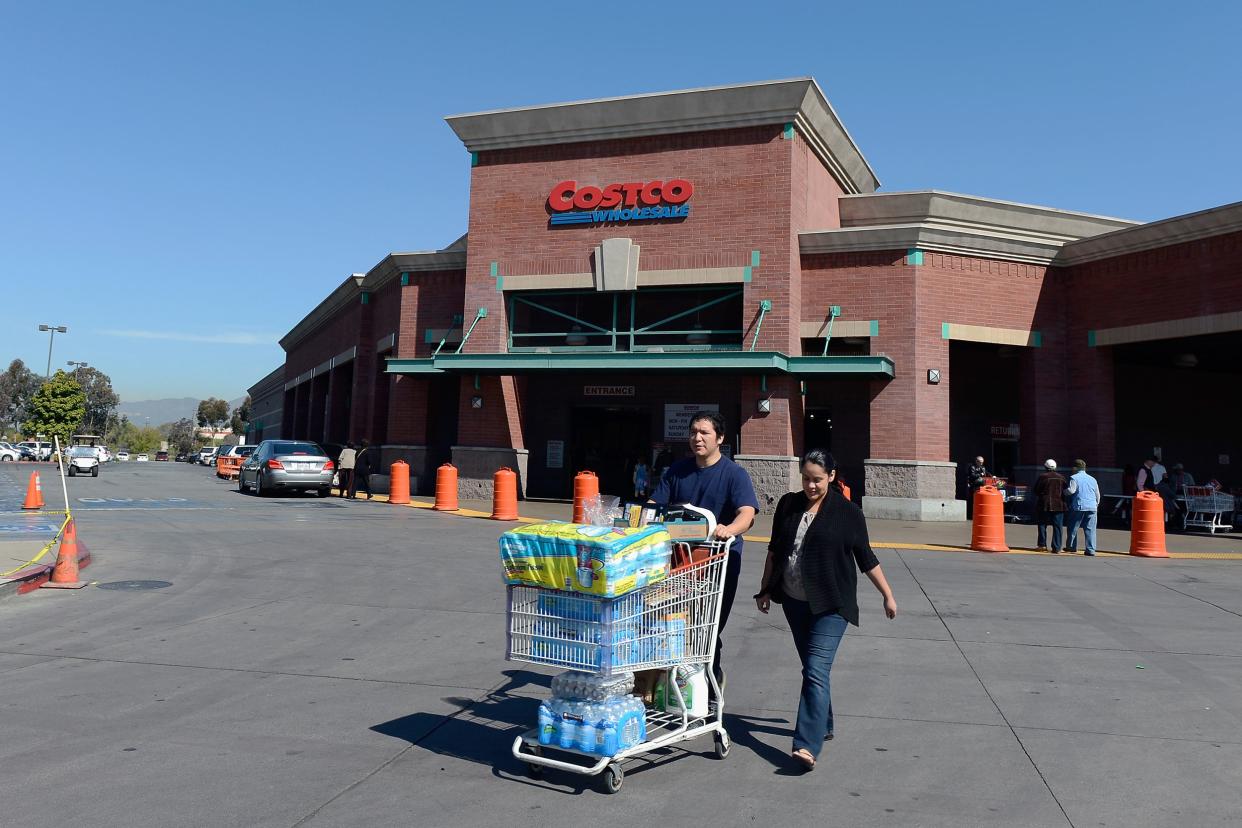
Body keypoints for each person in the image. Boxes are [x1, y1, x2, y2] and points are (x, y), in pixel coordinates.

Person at [754, 449, 897, 772]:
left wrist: (887, 594)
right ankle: (824, 722)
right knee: (812, 667)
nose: (811, 485)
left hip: (832, 604)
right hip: (794, 600)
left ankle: (806, 744)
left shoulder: (847, 513)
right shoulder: (789, 505)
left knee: (815, 670)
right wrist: (765, 588)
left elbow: (866, 558)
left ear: (831, 476)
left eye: (817, 479)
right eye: (806, 478)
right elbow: (775, 550)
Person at [650, 411, 758, 690]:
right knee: (675, 626)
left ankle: (708, 686)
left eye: (704, 432)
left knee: (708, 628)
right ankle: (676, 688)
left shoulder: (734, 474)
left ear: (719, 438)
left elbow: (747, 514)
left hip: (718, 563)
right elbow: (654, 506)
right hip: (678, 564)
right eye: (693, 432)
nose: (697, 438)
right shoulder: (677, 471)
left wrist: (729, 529)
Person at [1065, 459, 1100, 556]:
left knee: (1073, 527)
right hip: (1092, 506)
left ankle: (1071, 547)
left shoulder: (1074, 478)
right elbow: (1097, 494)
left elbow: (1071, 490)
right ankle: (1090, 549)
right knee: (1090, 529)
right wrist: (1096, 504)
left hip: (1079, 506)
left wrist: (1063, 492)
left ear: (1075, 468)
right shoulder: (1093, 479)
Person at [1033, 459, 1067, 553]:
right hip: (1059, 505)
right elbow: (1066, 490)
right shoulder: (1062, 477)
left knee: (1042, 524)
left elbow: (1036, 490)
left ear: (1045, 467)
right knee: (1058, 526)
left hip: (1044, 504)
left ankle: (1042, 545)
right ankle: (1057, 547)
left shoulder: (1043, 477)